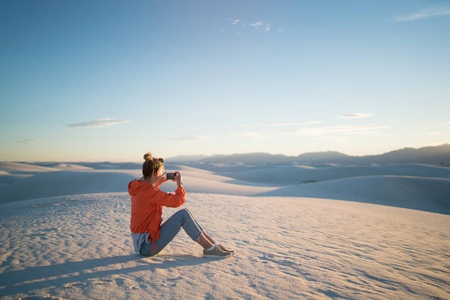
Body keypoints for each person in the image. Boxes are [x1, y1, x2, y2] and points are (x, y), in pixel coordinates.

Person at [128, 152, 234, 258]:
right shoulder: (149, 192)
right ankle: (210, 249)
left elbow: (150, 195)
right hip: (148, 247)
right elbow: (177, 201)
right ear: (156, 173)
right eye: (161, 173)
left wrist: (158, 183)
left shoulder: (140, 187)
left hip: (145, 244)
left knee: (185, 212)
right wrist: (179, 184)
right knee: (183, 215)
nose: (162, 175)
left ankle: (213, 246)